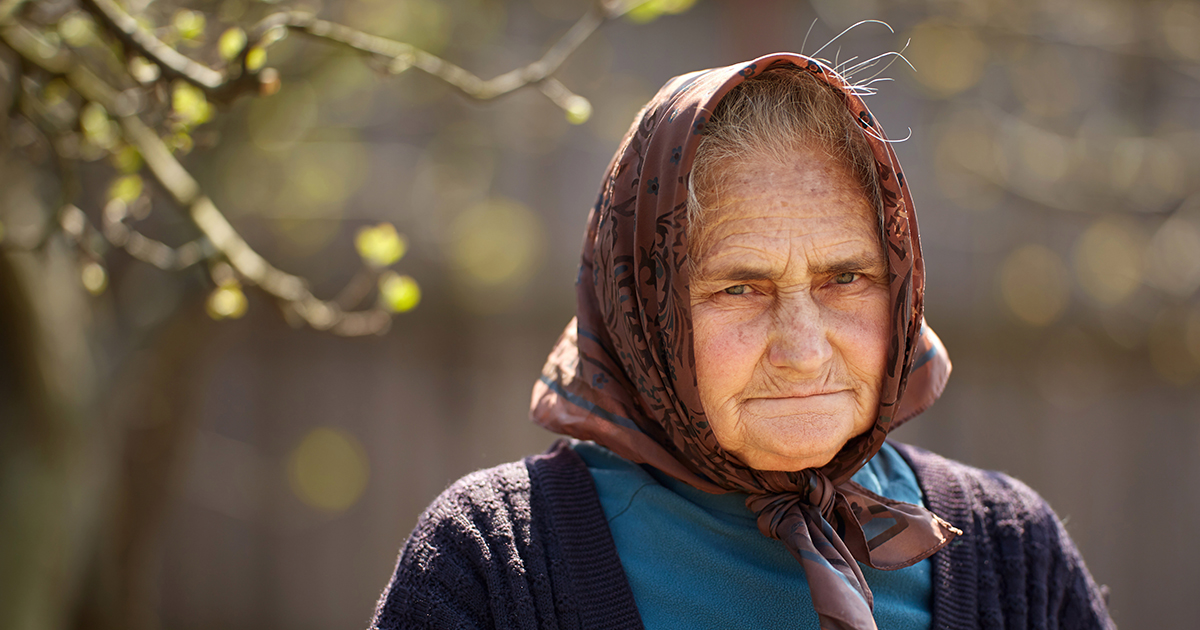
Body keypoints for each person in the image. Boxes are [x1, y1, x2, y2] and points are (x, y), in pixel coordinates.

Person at [370, 52, 1115, 630]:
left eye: (846, 278)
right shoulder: (498, 565)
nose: (804, 349)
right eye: (739, 288)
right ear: (645, 313)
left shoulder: (1010, 554)